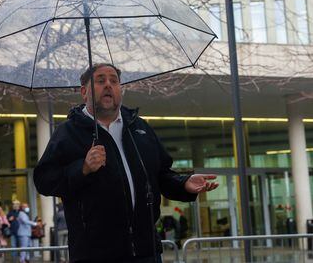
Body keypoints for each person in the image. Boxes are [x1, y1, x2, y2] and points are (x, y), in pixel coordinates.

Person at [34, 63, 219, 262]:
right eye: (100, 80)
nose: (108, 85)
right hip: (94, 254)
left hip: (146, 251)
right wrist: (83, 168)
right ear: (84, 92)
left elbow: (161, 175)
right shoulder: (68, 133)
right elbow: (44, 180)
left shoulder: (139, 128)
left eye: (114, 81)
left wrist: (183, 183)